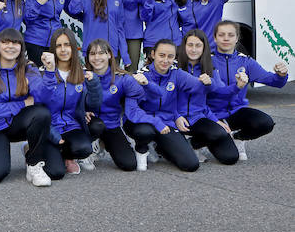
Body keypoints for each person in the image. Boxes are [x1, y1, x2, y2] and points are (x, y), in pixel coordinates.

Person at [0, 28, 53, 186]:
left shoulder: (28, 68)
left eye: (15, 43)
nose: (10, 46)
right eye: (5, 42)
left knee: (41, 114)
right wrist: (23, 103)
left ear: (21, 47)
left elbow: (43, 98)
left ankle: (33, 164)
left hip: (17, 124)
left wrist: (50, 72)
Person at [208, 20, 289, 160]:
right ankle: (201, 142)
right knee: (229, 158)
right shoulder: (206, 61)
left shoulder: (246, 62)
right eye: (221, 35)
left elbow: (274, 82)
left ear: (237, 38)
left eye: (230, 35)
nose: (226, 38)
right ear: (215, 38)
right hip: (211, 114)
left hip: (235, 112)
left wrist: (281, 75)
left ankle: (237, 138)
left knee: (265, 123)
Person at [124, 39, 202, 172]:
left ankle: (159, 146)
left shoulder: (176, 74)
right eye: (162, 55)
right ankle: (141, 148)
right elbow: (132, 111)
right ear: (153, 54)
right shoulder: (140, 76)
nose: (166, 60)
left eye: (170, 56)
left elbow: (198, 87)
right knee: (144, 132)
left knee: (191, 164)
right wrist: (156, 123)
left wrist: (177, 115)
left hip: (166, 123)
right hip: (141, 122)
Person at [37, 29, 102, 179]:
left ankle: (66, 155)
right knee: (56, 172)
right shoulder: (43, 72)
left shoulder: (81, 73)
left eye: (67, 44)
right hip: (48, 127)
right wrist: (50, 72)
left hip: (70, 125)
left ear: (73, 47)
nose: (63, 49)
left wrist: (94, 84)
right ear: (53, 49)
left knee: (85, 149)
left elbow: (94, 104)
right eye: (59, 45)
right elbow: (41, 103)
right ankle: (32, 148)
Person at [84, 38, 152, 172]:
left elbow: (141, 96)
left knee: (129, 164)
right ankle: (90, 146)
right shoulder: (82, 76)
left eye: (101, 53)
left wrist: (145, 84)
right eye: (92, 54)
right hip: (90, 124)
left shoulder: (121, 78)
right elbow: (71, 101)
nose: (97, 57)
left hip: (111, 125)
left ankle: (104, 143)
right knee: (96, 126)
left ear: (109, 55)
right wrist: (81, 112)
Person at [176, 30, 240, 164]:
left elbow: (219, 93)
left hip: (198, 117)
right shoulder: (174, 66)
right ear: (184, 46)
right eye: (190, 45)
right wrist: (175, 116)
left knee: (231, 157)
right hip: (176, 119)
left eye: (198, 45)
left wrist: (215, 120)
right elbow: (164, 99)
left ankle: (193, 144)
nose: (194, 49)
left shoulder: (210, 68)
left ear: (204, 48)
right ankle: (172, 145)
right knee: (215, 134)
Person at [66, 0, 131, 65]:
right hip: (93, 52)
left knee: (111, 81)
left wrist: (125, 55)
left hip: (111, 52)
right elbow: (73, 9)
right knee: (93, 81)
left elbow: (120, 28)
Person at [23, 0, 72, 66]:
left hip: (55, 41)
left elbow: (72, 10)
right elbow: (27, 19)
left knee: (54, 75)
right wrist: (38, 4)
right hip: (35, 41)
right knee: (38, 76)